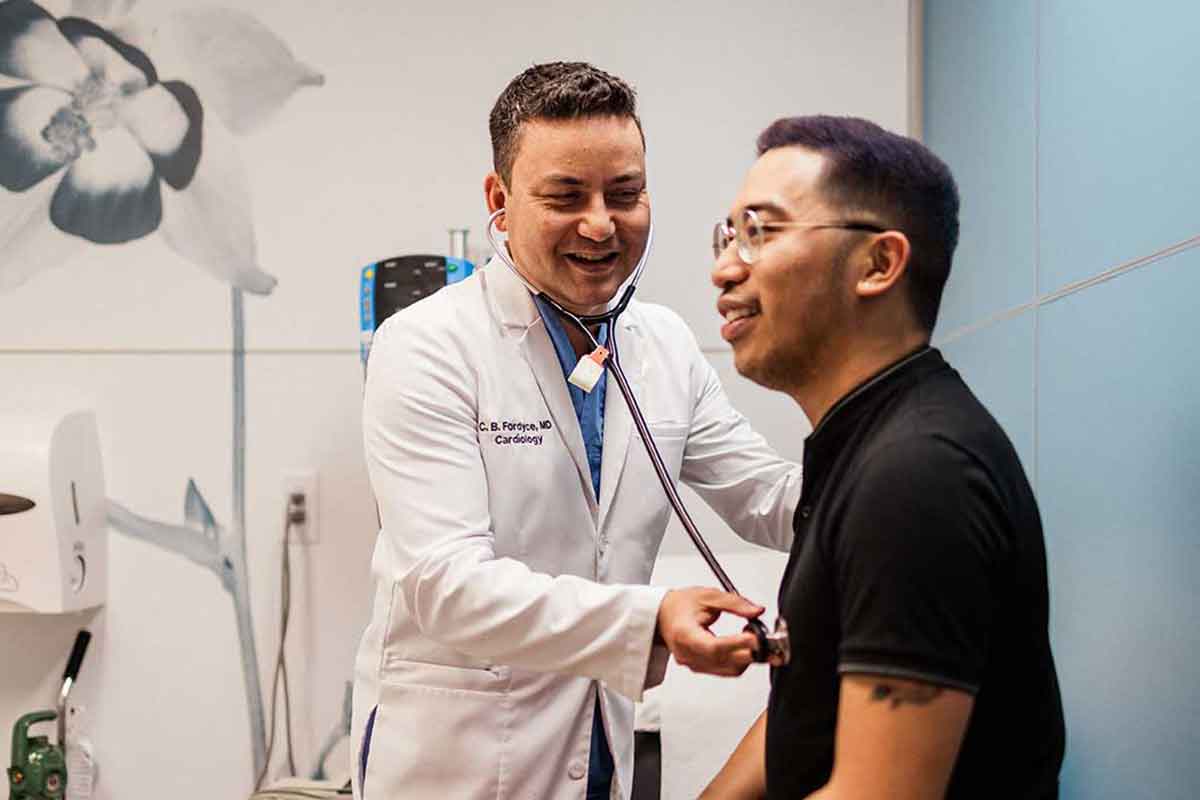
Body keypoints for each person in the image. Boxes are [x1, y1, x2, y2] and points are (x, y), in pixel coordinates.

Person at [351, 62, 802, 800]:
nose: (601, 224)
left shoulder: (662, 344)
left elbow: (767, 497)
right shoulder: (428, 344)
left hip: (597, 753)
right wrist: (653, 616)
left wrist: (890, 475)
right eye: (566, 196)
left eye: (625, 194)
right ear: (500, 200)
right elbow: (446, 586)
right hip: (455, 766)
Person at [700, 116, 1065, 799]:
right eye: (727, 236)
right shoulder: (862, 445)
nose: (725, 266)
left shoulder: (918, 475)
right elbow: (811, 695)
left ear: (878, 264)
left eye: (761, 231)